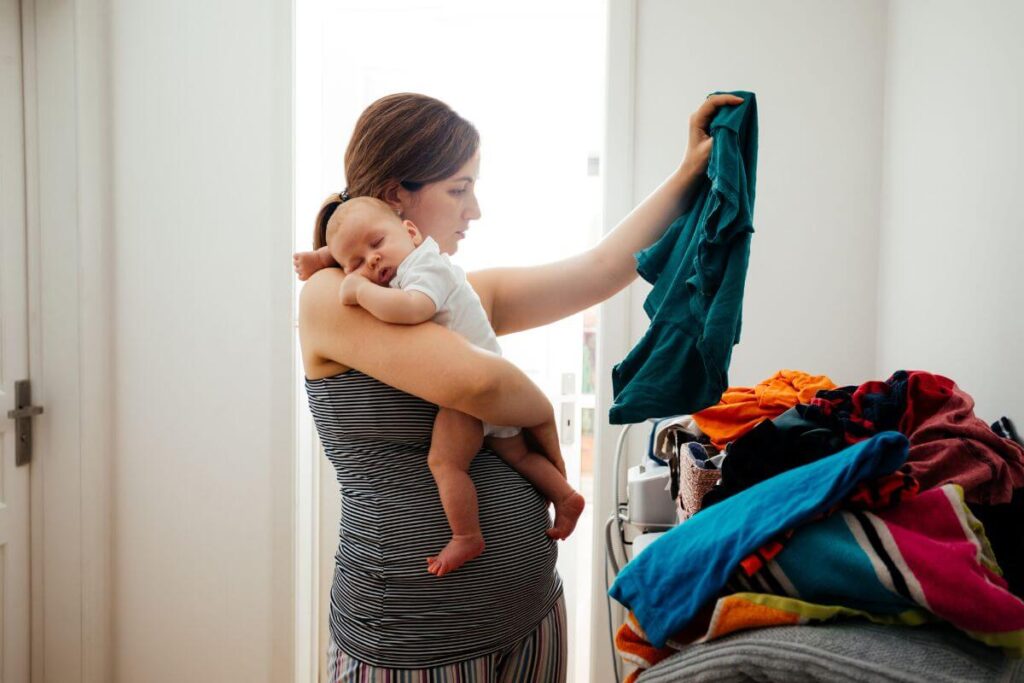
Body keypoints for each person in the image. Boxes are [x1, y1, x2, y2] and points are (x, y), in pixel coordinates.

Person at [297, 91, 743, 681]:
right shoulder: (337, 295)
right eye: (458, 189)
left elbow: (604, 266)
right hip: (414, 635)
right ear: (396, 199)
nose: (473, 209)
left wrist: (691, 170)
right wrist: (539, 416)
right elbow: (480, 384)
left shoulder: (455, 294)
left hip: (530, 613)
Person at [301, 195, 586, 577]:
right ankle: (566, 497)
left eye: (377, 245)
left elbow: (413, 309)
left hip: (470, 401)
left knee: (445, 461)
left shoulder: (426, 267)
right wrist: (323, 260)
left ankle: (467, 535)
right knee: (518, 455)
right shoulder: (400, 259)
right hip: (487, 392)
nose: (370, 261)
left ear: (411, 232)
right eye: (354, 263)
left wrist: (361, 289)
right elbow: (361, 240)